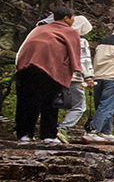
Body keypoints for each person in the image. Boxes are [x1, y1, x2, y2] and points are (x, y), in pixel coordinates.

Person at [14, 8, 84, 143]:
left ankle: (25, 134)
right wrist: (75, 70)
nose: (73, 20)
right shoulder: (70, 31)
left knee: (27, 101)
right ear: (66, 18)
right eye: (72, 17)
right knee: (50, 102)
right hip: (51, 70)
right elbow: (74, 53)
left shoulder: (39, 29)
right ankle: (48, 135)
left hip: (27, 67)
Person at [57, 15, 94, 137]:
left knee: (55, 102)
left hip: (58, 75)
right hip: (75, 77)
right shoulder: (81, 40)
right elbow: (84, 59)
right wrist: (88, 76)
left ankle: (47, 128)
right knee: (79, 106)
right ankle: (63, 128)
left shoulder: (60, 37)